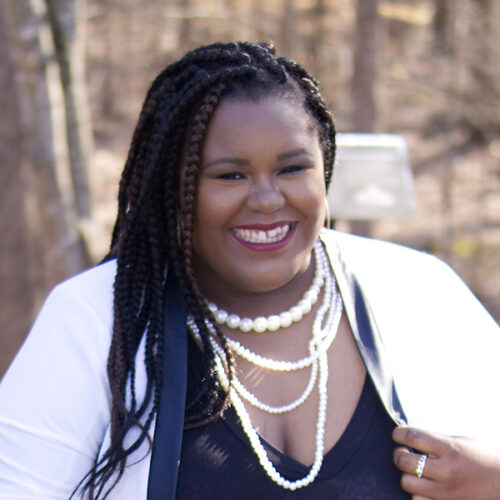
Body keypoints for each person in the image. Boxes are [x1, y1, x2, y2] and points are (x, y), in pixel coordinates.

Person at [0, 41, 499, 500]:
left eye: (291, 169)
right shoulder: (97, 320)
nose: (267, 199)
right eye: (230, 175)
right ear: (175, 189)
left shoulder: (416, 290)